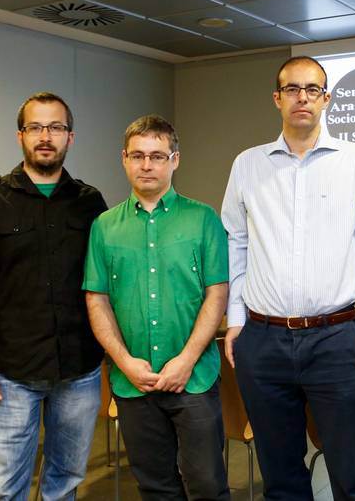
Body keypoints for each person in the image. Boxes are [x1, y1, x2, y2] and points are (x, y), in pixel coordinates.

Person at [220, 56, 355, 500]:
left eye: (313, 89)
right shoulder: (248, 165)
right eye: (293, 89)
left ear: (327, 99)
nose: (303, 97)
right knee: (281, 481)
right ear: (277, 98)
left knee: (352, 476)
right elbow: (235, 245)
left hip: (335, 339)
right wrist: (237, 321)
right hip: (263, 341)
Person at [0, 92, 107, 500]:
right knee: (2, 489)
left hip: (79, 370)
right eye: (35, 127)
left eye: (55, 127)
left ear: (70, 137)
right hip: (10, 374)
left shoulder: (91, 203)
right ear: (20, 135)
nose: (45, 136)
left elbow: (106, 284)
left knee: (65, 483)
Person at [84, 115, 230, 500]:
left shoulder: (203, 219)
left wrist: (185, 360)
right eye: (138, 156)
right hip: (133, 383)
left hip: (194, 380)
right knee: (154, 488)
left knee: (208, 487)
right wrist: (123, 361)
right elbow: (96, 299)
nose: (147, 165)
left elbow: (217, 294)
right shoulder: (104, 226)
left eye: (157, 156)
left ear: (175, 160)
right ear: (124, 159)